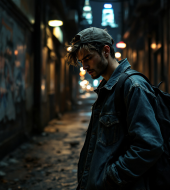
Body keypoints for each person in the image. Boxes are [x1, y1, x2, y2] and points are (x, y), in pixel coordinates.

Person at [66, 27, 164, 190]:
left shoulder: (133, 87)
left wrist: (110, 178)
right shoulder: (108, 89)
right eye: (81, 61)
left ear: (106, 51)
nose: (84, 66)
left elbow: (150, 145)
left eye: (88, 58)